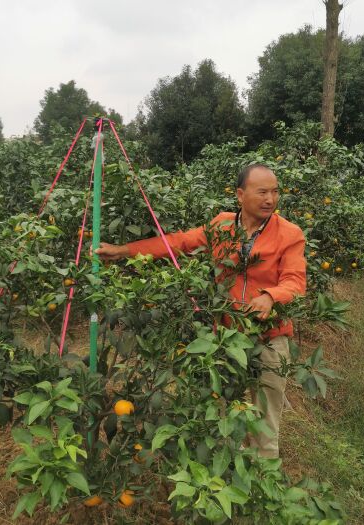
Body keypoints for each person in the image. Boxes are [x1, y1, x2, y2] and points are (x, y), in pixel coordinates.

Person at [95, 163, 306, 458]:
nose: (270, 199)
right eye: (262, 192)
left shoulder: (289, 234)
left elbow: (295, 281)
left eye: (274, 192)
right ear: (240, 195)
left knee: (265, 422)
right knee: (218, 413)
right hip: (224, 341)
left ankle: (262, 485)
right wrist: (124, 250)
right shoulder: (221, 225)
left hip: (268, 340)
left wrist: (271, 296)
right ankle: (224, 473)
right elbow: (178, 243)